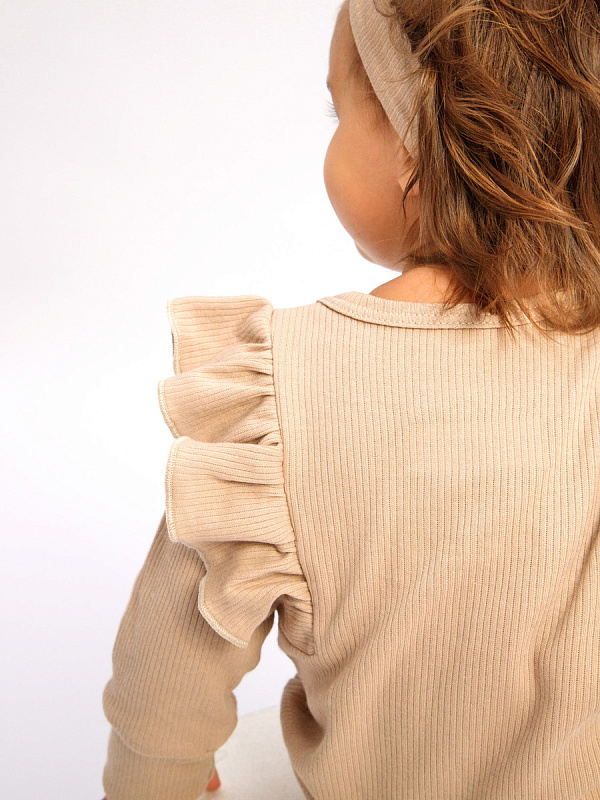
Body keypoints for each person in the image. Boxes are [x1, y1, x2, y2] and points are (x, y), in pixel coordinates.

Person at [101, 1, 600, 798]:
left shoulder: (282, 388)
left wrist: (154, 781)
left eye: (339, 111)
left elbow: (167, 669)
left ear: (413, 144)